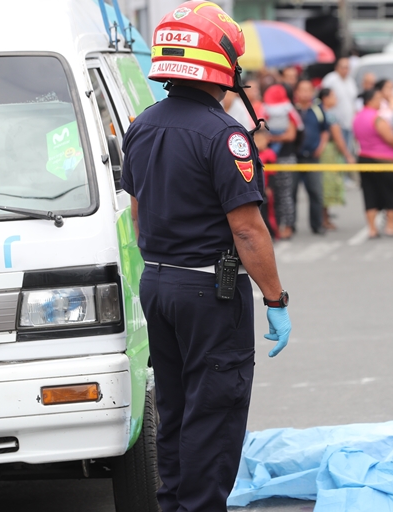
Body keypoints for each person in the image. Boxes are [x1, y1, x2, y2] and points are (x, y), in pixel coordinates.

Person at [120, 3, 291, 511]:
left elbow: (136, 212)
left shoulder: (143, 124)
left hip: (159, 283)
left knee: (173, 409)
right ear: (221, 65)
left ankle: (174, 504)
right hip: (209, 294)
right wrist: (275, 298)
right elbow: (248, 230)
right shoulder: (224, 136)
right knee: (213, 413)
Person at [353, 88, 393, 238]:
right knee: (391, 193)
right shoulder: (376, 118)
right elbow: (389, 138)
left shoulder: (357, 117)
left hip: (364, 157)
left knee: (369, 194)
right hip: (384, 159)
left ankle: (372, 228)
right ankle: (391, 225)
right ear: (370, 101)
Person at [263, 84, 303, 240]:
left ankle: (288, 226)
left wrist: (272, 138)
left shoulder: (289, 112)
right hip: (270, 159)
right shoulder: (267, 112)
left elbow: (291, 135)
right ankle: (277, 226)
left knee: (286, 194)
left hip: (286, 158)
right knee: (275, 195)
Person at [293, 79, 329, 235]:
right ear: (297, 92)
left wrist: (320, 147)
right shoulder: (293, 110)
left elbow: (325, 130)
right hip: (295, 158)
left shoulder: (318, 110)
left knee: (315, 192)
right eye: (303, 89)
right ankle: (290, 226)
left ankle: (317, 224)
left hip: (313, 157)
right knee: (291, 193)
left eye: (309, 90)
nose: (306, 93)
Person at [319, 87, 355, 230]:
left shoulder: (319, 112)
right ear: (325, 98)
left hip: (322, 152)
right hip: (329, 153)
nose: (336, 100)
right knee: (327, 186)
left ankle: (324, 217)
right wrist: (347, 154)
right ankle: (324, 219)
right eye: (333, 96)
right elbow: (338, 137)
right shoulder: (330, 115)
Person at [322, 57, 359, 148]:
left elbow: (353, 101)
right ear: (337, 67)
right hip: (335, 122)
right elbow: (324, 98)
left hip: (349, 122)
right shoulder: (330, 79)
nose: (345, 70)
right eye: (343, 67)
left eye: (347, 67)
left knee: (348, 148)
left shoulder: (351, 81)